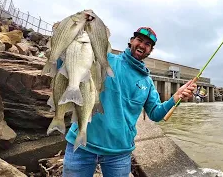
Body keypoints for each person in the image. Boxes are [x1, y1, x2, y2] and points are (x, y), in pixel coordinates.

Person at [62, 27, 197, 177]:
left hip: (119, 153)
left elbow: (156, 114)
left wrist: (175, 98)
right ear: (131, 41)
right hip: (81, 146)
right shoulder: (105, 59)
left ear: (150, 51)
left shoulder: (147, 82)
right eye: (139, 40)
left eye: (147, 44)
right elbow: (72, 60)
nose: (142, 45)